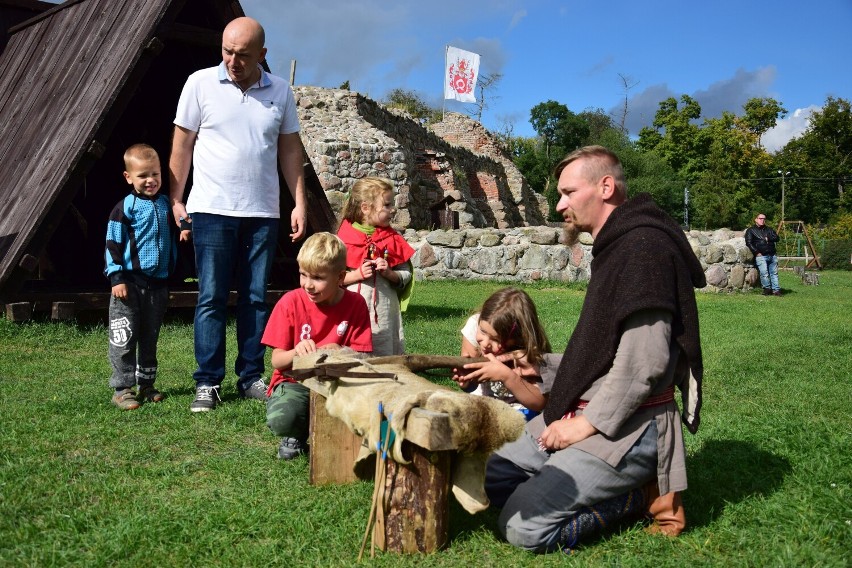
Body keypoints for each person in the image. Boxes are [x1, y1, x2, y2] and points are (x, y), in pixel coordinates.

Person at [484, 146, 705, 553]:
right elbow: (605, 351)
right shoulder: (618, 246)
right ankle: (571, 479)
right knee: (493, 476)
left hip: (629, 425)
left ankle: (639, 496)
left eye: (568, 192)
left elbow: (644, 363)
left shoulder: (644, 250)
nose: (558, 205)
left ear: (605, 187)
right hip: (591, 406)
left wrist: (584, 426)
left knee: (522, 528)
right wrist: (536, 365)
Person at [168, 16, 307, 412]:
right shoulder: (199, 83)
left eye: (243, 54)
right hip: (210, 209)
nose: (233, 61)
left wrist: (299, 202)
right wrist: (175, 199)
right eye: (228, 51)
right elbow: (182, 143)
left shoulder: (280, 90)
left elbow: (290, 150)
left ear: (262, 54)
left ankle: (250, 376)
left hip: (263, 211)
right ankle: (207, 383)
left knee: (255, 297)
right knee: (211, 296)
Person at [261, 233, 373, 459]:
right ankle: (296, 433)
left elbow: (363, 356)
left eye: (318, 277)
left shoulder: (356, 304)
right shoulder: (290, 302)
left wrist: (341, 352)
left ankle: (346, 436)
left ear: (340, 276)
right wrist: (297, 352)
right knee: (283, 419)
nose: (308, 285)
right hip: (296, 380)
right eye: (303, 275)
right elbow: (277, 361)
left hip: (339, 382)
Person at [104, 144, 176, 410]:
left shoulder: (167, 204)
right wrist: (117, 277)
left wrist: (185, 228)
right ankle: (122, 388)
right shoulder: (125, 207)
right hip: (129, 284)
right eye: (143, 175)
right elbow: (113, 242)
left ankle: (147, 385)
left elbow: (177, 228)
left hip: (157, 285)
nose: (150, 180)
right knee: (124, 336)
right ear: (128, 177)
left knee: (150, 336)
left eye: (155, 174)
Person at [337, 177, 415, 356]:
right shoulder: (343, 239)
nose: (392, 210)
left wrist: (389, 273)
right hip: (350, 309)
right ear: (365, 208)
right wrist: (356, 275)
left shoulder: (392, 238)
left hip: (384, 309)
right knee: (352, 352)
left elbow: (405, 274)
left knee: (384, 350)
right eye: (387, 205)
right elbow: (332, 278)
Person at [453, 287, 553, 419]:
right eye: (483, 332)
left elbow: (539, 402)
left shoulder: (528, 351)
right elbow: (470, 387)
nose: (485, 343)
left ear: (517, 339)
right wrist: (466, 381)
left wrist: (507, 376)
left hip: (519, 413)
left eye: (495, 339)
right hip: (478, 406)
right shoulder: (474, 326)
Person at [745, 213, 781, 296]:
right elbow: (748, 243)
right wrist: (757, 252)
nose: (762, 220)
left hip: (772, 255)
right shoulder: (751, 230)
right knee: (764, 273)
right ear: (756, 219)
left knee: (774, 273)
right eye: (760, 218)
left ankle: (776, 290)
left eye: (764, 219)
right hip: (761, 255)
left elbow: (777, 238)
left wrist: (768, 238)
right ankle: (767, 289)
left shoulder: (769, 229)